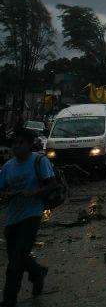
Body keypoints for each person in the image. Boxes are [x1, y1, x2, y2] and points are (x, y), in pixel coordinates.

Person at [0, 128, 57, 307]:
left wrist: (34, 193)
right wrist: (7, 195)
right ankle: (37, 272)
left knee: (15, 261)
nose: (16, 146)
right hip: (12, 217)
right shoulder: (8, 167)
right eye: (14, 143)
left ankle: (9, 299)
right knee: (17, 256)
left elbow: (52, 184)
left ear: (30, 144)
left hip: (32, 214)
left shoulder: (39, 161)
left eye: (21, 143)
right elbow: (3, 189)